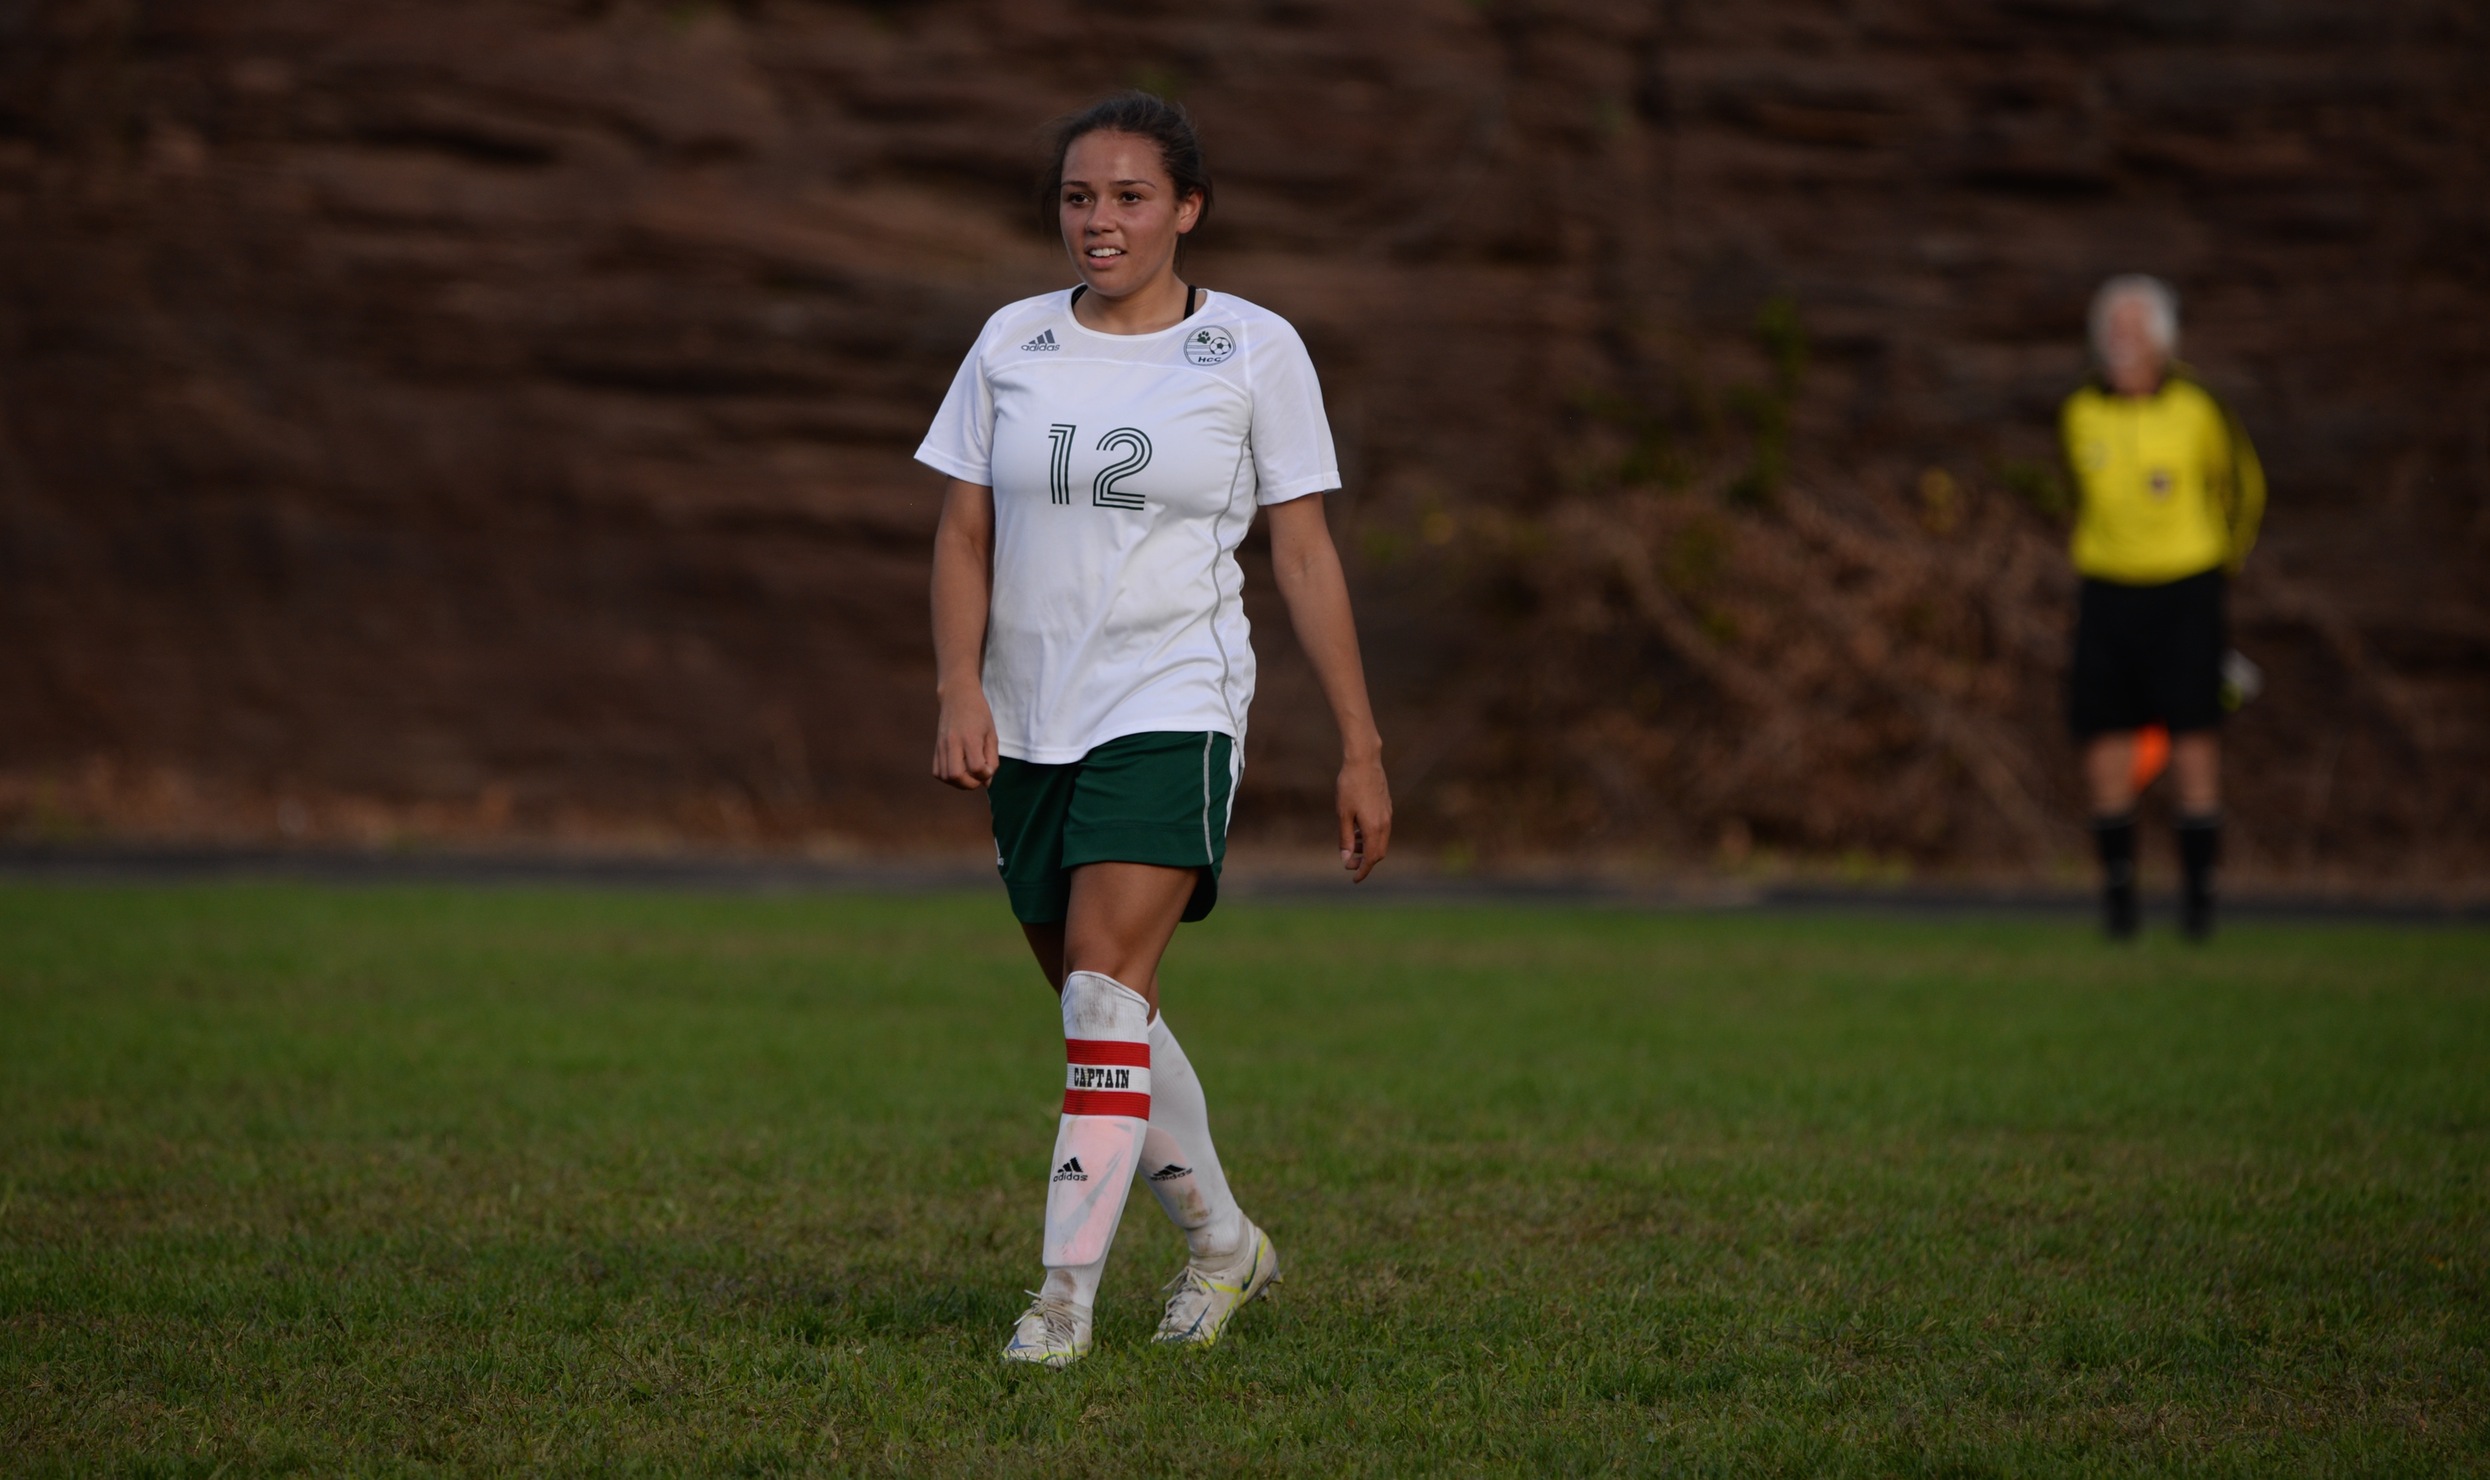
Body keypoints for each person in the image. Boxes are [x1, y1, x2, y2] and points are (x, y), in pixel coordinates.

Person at [916, 93, 1393, 1367]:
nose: (1099, 221)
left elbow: (1301, 555)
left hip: (1172, 704)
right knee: (1103, 1018)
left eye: (1129, 197)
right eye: (1080, 197)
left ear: (1187, 208)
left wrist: (1361, 743)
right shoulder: (1011, 340)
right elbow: (965, 532)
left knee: (1097, 990)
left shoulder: (1251, 348)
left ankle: (1059, 1299)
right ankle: (1228, 1247)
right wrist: (960, 686)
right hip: (1028, 718)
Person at [2060, 275, 2265, 940]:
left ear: (2161, 338)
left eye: (2134, 326)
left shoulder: (2198, 408)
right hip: (2108, 592)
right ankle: (2119, 904)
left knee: (2193, 743)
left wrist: (2213, 565)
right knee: (2106, 744)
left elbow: (2242, 488)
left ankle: (2199, 904)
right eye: (2111, 326)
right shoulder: (2080, 413)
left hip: (2186, 591)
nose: (2122, 338)